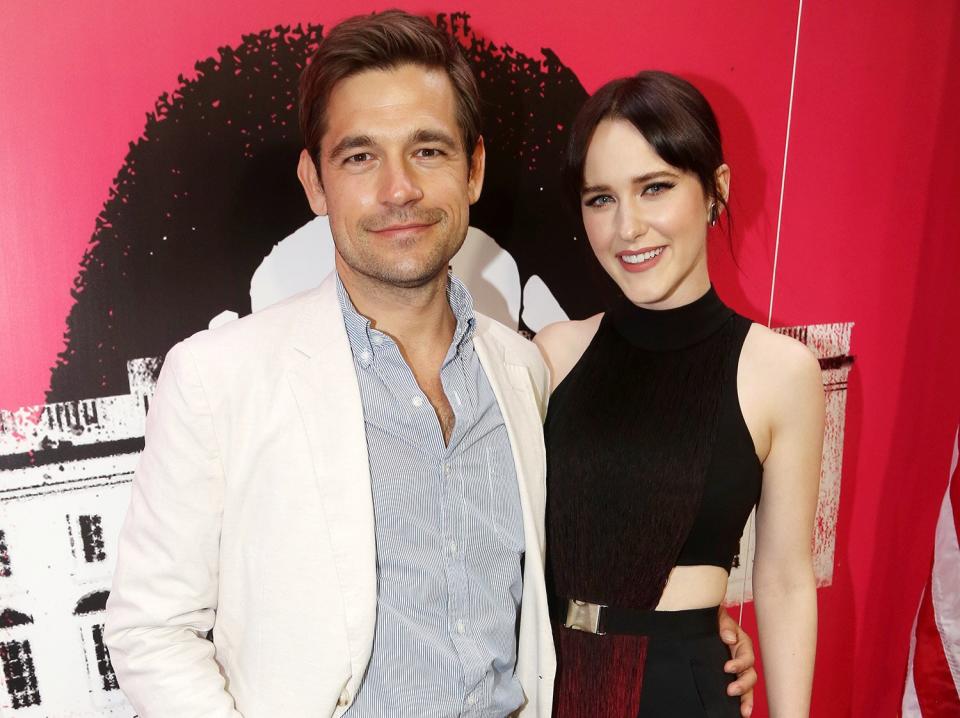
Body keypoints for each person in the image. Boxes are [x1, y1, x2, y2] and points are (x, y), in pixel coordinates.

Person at [104, 13, 758, 717]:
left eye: (428, 151)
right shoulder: (219, 377)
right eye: (359, 157)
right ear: (315, 182)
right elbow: (151, 629)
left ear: (473, 168)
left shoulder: (523, 370)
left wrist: (676, 627)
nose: (398, 190)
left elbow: (560, 568)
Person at [534, 71, 824, 717]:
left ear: (715, 192)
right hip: (546, 678)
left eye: (655, 188)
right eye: (601, 198)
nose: (627, 227)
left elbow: (783, 579)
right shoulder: (552, 354)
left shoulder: (781, 372)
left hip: (683, 688)